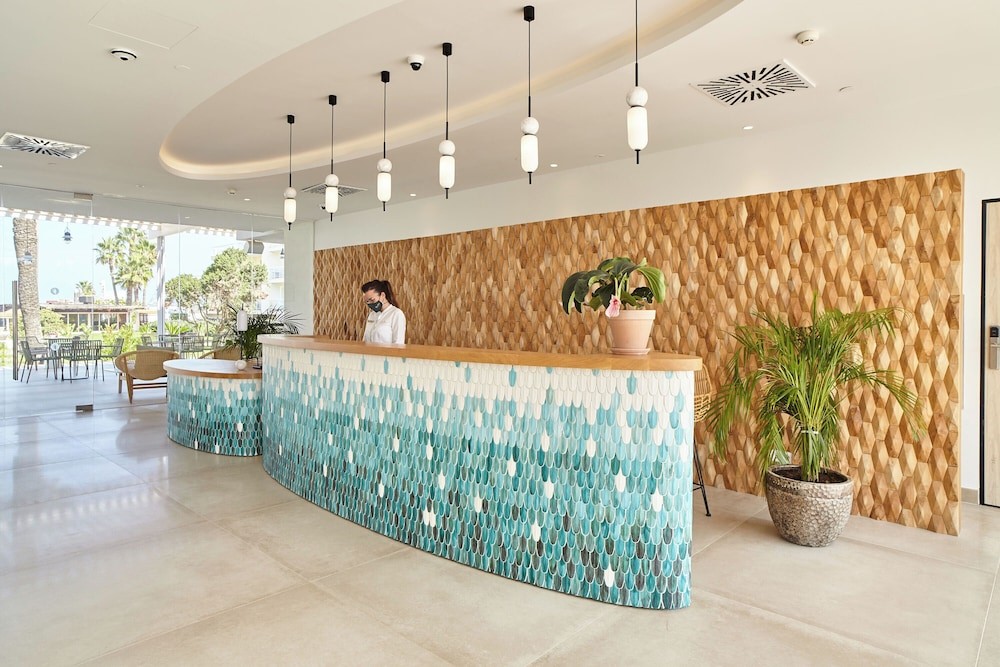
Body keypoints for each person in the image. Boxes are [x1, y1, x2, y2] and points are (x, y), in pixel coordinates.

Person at [361, 279, 406, 344]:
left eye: (372, 300)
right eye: (367, 301)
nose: (370, 303)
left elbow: (398, 343)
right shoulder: (372, 315)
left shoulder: (396, 314)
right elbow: (365, 340)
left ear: (382, 295)